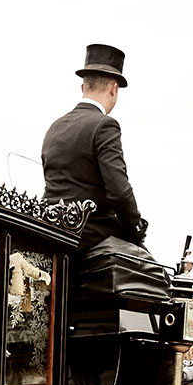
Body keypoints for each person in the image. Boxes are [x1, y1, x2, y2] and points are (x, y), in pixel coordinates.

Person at [42, 44, 148, 251]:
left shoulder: (55, 127)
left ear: (83, 87)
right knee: (153, 272)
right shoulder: (105, 125)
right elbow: (119, 191)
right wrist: (136, 228)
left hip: (51, 227)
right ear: (113, 88)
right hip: (90, 231)